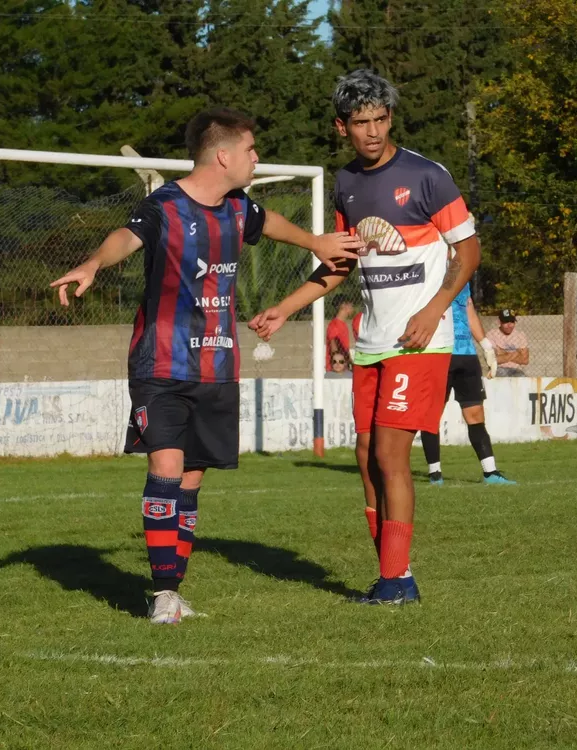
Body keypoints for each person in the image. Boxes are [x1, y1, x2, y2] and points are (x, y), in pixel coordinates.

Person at [50, 107, 362, 624]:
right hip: (162, 363)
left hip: (217, 365)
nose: (256, 158)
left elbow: (272, 223)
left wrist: (317, 243)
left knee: (192, 479)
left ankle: (172, 589)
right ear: (224, 155)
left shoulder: (239, 207)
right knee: (167, 467)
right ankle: (162, 596)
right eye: (250, 150)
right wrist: (91, 263)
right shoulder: (165, 205)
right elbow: (124, 238)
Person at [250, 70, 480, 605]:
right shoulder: (347, 183)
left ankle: (397, 581)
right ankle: (391, 575)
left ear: (391, 118)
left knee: (391, 454)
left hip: (420, 340)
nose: (372, 131)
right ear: (341, 127)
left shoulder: (428, 176)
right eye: (361, 122)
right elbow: (338, 264)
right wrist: (285, 307)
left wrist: (433, 310)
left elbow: (468, 253)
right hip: (371, 343)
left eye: (380, 119)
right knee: (364, 453)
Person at [419, 281, 516, 486]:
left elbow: (469, 308)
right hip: (438, 353)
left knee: (475, 414)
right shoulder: (428, 270)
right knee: (431, 414)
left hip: (467, 356)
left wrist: (486, 346)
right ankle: (435, 473)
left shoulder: (463, 275)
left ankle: (490, 473)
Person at [486, 309, 529, 377]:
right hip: (498, 368)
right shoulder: (491, 334)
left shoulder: (520, 335)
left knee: (522, 378)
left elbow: (525, 360)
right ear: (499, 322)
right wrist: (517, 352)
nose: (509, 325)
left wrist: (503, 352)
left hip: (516, 370)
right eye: (506, 322)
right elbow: (492, 360)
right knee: (502, 375)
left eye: (512, 321)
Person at [326, 294, 355, 370]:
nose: (353, 308)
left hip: (344, 366)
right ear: (344, 305)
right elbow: (334, 348)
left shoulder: (343, 325)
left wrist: (350, 362)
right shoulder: (334, 325)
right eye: (351, 305)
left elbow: (345, 348)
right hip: (336, 368)